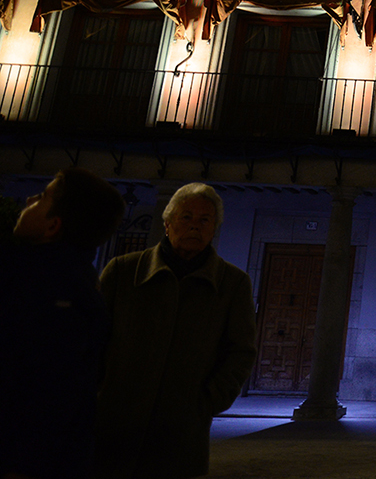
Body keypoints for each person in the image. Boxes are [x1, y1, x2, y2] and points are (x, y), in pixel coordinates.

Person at [95, 183, 257, 479]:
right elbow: (91, 339)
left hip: (181, 434)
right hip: (113, 426)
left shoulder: (232, 284)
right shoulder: (122, 271)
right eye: (186, 217)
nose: (195, 226)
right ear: (167, 224)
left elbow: (241, 351)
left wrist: (205, 402)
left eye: (205, 220)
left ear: (214, 229)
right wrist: (99, 392)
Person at [1, 169, 124, 479]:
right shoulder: (71, 284)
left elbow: (42, 399)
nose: (29, 199)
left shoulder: (40, 287)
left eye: (43, 197)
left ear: (53, 225)